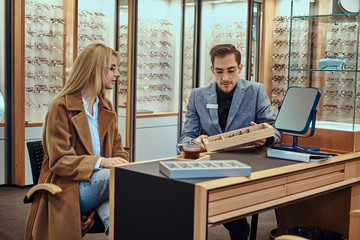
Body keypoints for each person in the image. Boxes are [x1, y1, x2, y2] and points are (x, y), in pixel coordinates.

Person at [24, 43, 129, 240]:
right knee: (121, 178)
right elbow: (60, 160)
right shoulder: (60, 107)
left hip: (101, 185)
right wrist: (101, 162)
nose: (118, 74)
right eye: (112, 68)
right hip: (70, 186)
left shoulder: (106, 107)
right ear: (94, 69)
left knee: (118, 220)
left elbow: (119, 152)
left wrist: (115, 163)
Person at [179, 43, 281, 240]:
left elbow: (276, 130)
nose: (225, 78)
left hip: (248, 165)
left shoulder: (256, 91)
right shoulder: (197, 96)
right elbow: (185, 139)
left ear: (240, 68)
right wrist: (195, 142)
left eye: (231, 71)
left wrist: (265, 137)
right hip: (211, 166)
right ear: (212, 70)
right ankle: (235, 226)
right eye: (219, 71)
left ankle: (237, 227)